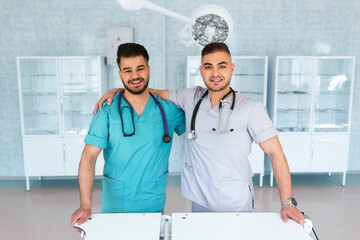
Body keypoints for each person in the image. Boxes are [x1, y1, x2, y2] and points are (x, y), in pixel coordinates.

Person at [93, 43, 305, 226]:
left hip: (235, 203)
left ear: (231, 69)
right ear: (201, 70)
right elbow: (148, 91)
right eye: (208, 67)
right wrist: (118, 90)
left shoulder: (251, 108)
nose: (215, 73)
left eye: (222, 66)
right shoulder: (191, 97)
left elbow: (276, 154)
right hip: (199, 202)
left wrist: (287, 202)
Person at [71, 43, 185, 226]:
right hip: (116, 205)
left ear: (148, 70)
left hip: (153, 204)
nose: (135, 76)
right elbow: (88, 157)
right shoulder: (106, 110)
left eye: (140, 69)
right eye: (127, 70)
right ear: (120, 74)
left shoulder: (168, 110)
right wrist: (85, 204)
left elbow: (201, 118)